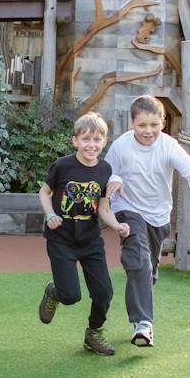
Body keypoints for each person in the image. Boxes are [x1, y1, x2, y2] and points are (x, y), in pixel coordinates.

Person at [105, 95, 190, 348]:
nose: (148, 131)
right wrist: (114, 178)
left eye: (154, 125)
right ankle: (143, 324)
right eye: (142, 125)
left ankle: (146, 281)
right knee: (138, 261)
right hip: (128, 210)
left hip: (158, 217)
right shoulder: (121, 146)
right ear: (132, 123)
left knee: (148, 271)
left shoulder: (169, 146)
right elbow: (106, 171)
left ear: (163, 122)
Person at [37, 111, 129, 356]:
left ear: (104, 142)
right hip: (61, 240)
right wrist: (49, 215)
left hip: (90, 240)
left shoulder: (105, 170)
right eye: (86, 139)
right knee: (70, 296)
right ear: (75, 141)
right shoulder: (62, 165)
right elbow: (44, 192)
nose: (91, 145)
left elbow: (103, 208)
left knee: (104, 292)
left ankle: (94, 332)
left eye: (97, 140)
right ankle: (53, 292)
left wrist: (117, 224)